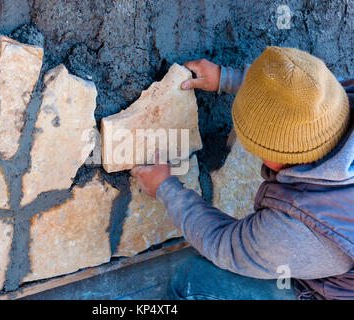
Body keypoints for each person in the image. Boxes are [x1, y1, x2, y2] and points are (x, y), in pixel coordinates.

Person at [130, 46, 354, 300]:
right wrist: (227, 78)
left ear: (272, 155)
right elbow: (302, 95)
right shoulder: (337, 103)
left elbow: (224, 244)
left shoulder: (300, 230)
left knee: (193, 279)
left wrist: (166, 188)